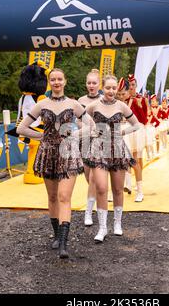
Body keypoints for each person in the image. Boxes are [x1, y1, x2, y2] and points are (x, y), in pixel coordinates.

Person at [17, 68, 95, 259]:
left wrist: (74, 135)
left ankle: (63, 243)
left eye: (60, 79)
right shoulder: (41, 105)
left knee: (63, 196)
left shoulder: (74, 104)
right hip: (48, 154)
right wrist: (41, 136)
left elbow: (92, 126)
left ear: (65, 81)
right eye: (53, 79)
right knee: (52, 197)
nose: (57, 82)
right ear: (49, 82)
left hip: (69, 154)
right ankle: (56, 235)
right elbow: (21, 127)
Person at [85, 75, 142, 242]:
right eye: (108, 87)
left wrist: (122, 132)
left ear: (117, 89)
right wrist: (91, 130)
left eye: (114, 88)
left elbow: (137, 124)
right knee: (101, 188)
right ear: (103, 87)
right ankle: (102, 228)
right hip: (99, 149)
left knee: (117, 189)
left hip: (117, 149)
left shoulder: (122, 106)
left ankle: (117, 223)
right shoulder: (93, 105)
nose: (111, 91)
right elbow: (80, 119)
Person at [78, 69, 103, 226]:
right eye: (89, 83)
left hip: (100, 142)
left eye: (94, 83)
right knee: (88, 177)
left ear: (99, 84)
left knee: (94, 178)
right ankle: (98, 195)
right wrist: (88, 129)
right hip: (85, 141)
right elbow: (78, 120)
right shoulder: (81, 100)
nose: (91, 85)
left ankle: (88, 212)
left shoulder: (104, 99)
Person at [126, 74, 147, 202]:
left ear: (136, 86)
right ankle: (127, 184)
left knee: (136, 159)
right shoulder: (124, 99)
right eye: (130, 85)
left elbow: (144, 119)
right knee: (125, 158)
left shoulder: (141, 99)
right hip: (126, 131)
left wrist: (139, 106)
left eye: (133, 85)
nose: (131, 88)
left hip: (137, 130)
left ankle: (139, 186)